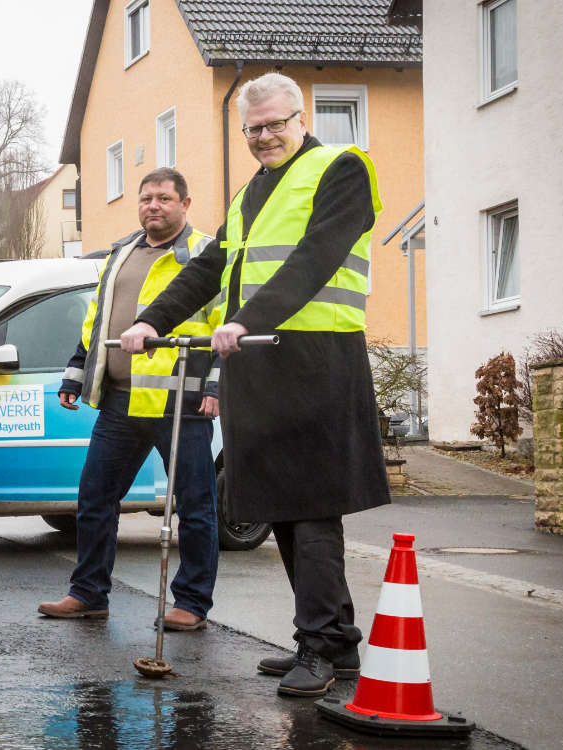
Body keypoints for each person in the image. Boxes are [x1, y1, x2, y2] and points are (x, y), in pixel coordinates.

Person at [119, 72, 390, 697]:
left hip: (318, 361)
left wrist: (246, 319)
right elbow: (209, 268)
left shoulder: (343, 168)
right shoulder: (251, 194)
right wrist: (149, 320)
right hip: (261, 364)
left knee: (314, 508)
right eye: (253, 129)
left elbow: (316, 257)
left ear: (301, 116)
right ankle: (336, 643)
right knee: (285, 509)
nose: (264, 137)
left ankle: (319, 646)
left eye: (274, 124)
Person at [38, 168, 221, 630]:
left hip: (179, 400)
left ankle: (192, 603)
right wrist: (76, 375)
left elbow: (225, 323)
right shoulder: (122, 251)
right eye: (146, 198)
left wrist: (218, 386)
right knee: (95, 497)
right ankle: (88, 593)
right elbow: (97, 320)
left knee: (194, 504)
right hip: (120, 398)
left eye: (163, 198)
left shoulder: (203, 255)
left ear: (185, 203)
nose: (153, 206)